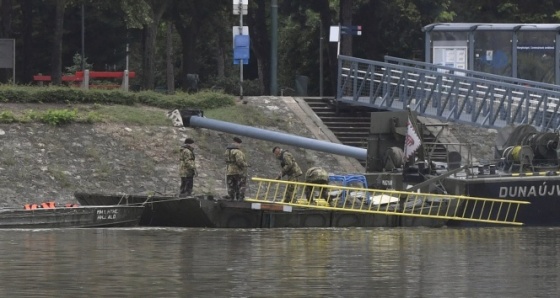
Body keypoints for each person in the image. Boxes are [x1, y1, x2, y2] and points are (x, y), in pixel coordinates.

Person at [225, 137, 248, 201]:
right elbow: (239, 161)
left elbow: (226, 160)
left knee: (231, 185)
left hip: (229, 171)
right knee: (241, 185)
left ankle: (231, 197)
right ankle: (240, 198)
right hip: (238, 171)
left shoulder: (227, 151)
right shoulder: (238, 152)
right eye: (239, 144)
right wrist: (245, 165)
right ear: (237, 143)